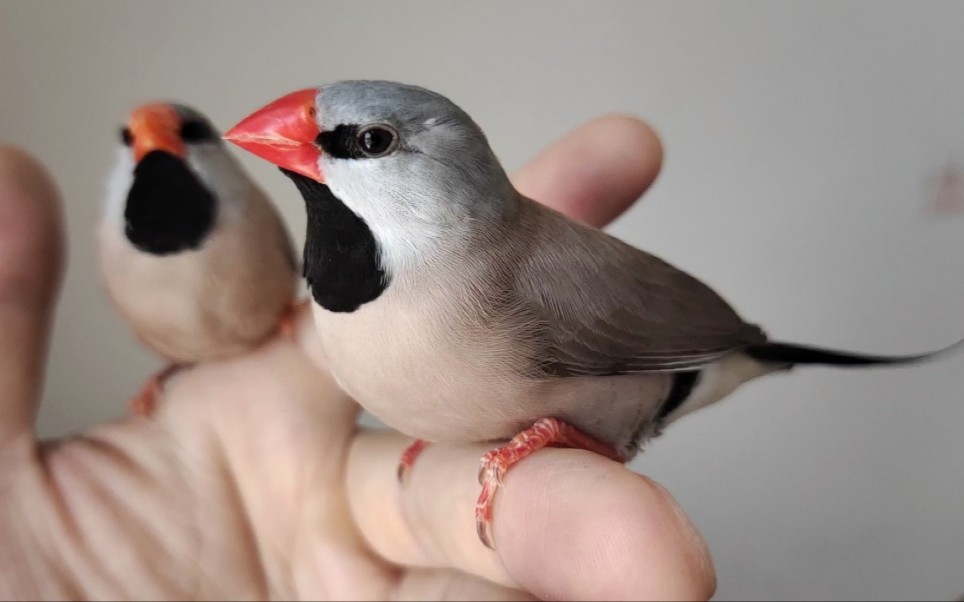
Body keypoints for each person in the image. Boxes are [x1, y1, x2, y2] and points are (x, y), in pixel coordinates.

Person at [0, 115, 715, 600]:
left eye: (367, 140)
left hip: (670, 365)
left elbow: (641, 346)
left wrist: (553, 433)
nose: (295, 138)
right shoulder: (331, 313)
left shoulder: (512, 281)